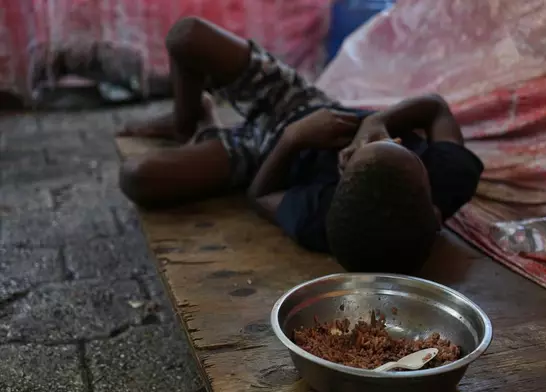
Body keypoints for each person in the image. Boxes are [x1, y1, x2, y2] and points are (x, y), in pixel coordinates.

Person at [118, 17, 484, 274]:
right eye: (396, 143)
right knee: (186, 35)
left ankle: (208, 121)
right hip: (299, 102)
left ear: (341, 180)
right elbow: (436, 107)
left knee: (138, 178)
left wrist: (294, 140)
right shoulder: (450, 178)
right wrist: (378, 120)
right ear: (435, 213)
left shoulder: (320, 221)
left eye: (355, 153)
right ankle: (187, 123)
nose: (379, 139)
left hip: (265, 150)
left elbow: (259, 196)